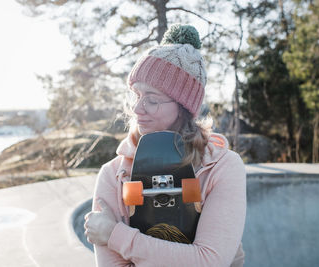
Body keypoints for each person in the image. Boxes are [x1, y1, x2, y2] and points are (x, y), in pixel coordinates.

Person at [84, 24, 246, 267]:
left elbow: (208, 261)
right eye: (136, 96)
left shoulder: (222, 166)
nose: (138, 109)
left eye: (151, 99)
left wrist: (114, 235)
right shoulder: (113, 174)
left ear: (183, 107)